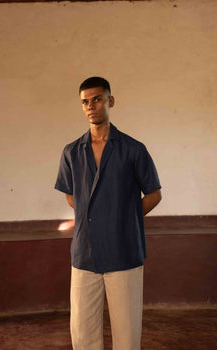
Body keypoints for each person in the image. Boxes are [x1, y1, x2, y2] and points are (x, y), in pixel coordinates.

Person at [55, 77, 162, 350]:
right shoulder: (71, 152)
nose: (91, 106)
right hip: (85, 252)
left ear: (110, 101)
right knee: (82, 333)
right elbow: (71, 195)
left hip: (124, 251)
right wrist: (94, 216)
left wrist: (124, 219)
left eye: (97, 99)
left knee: (126, 335)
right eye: (85, 101)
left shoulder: (133, 149)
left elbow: (153, 194)